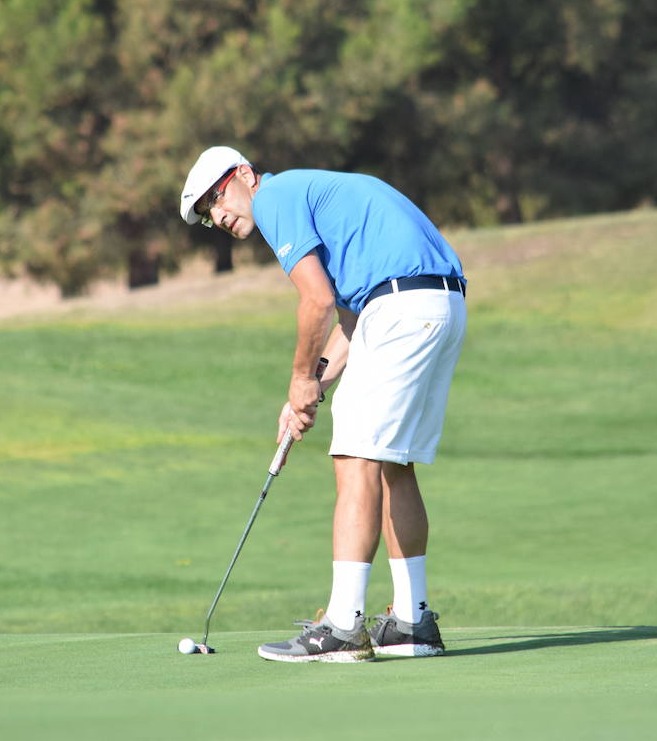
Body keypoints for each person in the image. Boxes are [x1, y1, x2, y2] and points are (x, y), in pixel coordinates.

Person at [179, 145, 467, 663]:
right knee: (393, 465)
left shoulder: (276, 197)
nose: (218, 215)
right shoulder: (312, 195)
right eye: (206, 216)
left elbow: (315, 301)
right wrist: (311, 389)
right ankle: (411, 622)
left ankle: (342, 625)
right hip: (435, 304)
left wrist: (297, 379)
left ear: (244, 174)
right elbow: (353, 323)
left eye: (216, 198)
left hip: (401, 309)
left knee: (355, 459)